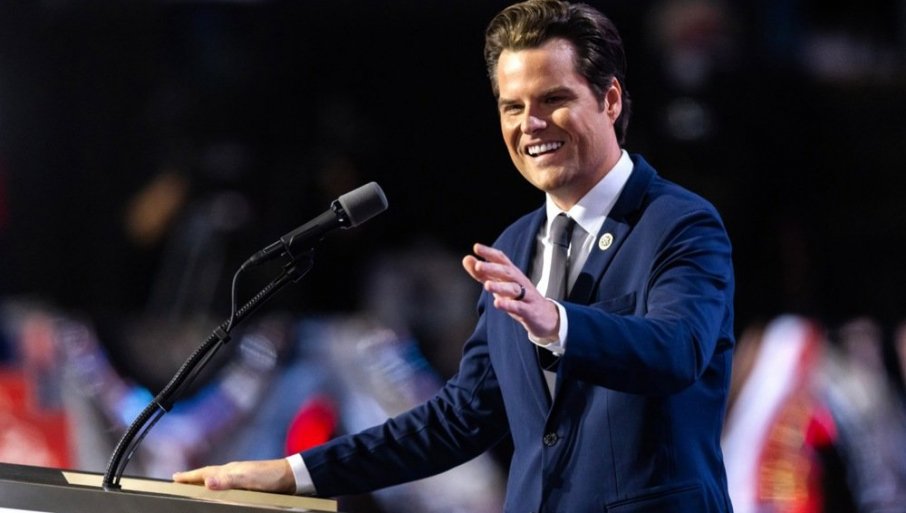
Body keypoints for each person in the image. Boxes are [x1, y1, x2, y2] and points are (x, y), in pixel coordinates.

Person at [174, 1, 736, 511]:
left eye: (554, 99)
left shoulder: (679, 224)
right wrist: (291, 473)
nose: (530, 124)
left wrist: (557, 322)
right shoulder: (516, 245)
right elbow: (460, 419)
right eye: (512, 106)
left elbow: (676, 351)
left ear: (609, 100)